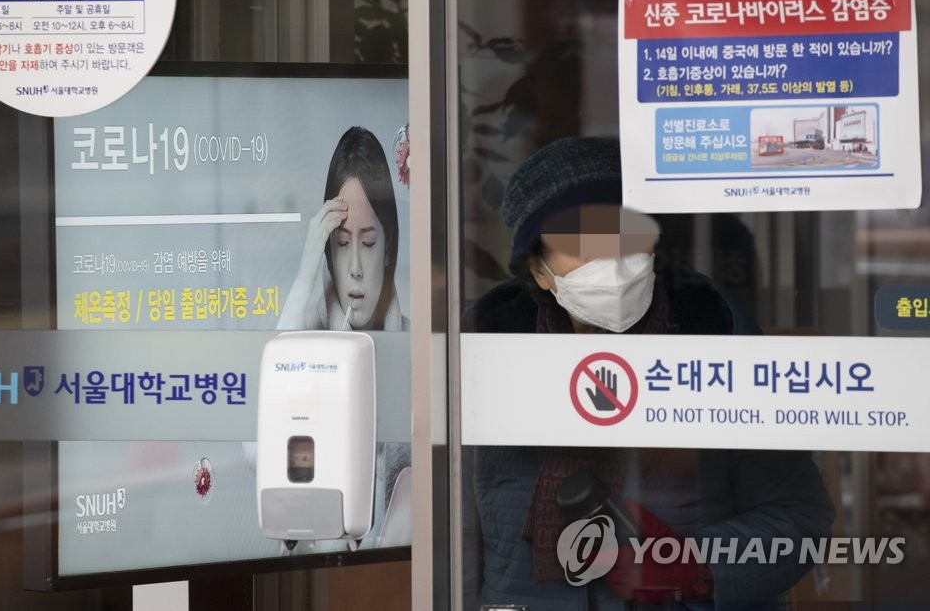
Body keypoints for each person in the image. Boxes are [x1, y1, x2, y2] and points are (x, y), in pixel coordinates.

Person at [463, 136, 835, 610]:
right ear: (538, 269)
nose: (611, 261)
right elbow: (451, 538)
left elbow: (800, 514)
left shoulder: (714, 334)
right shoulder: (486, 350)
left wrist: (698, 568)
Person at [278, 126, 408, 331]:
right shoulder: (305, 337)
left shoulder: (414, 340)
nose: (355, 269)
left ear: (388, 247)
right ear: (329, 250)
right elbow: (278, 351)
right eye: (342, 243)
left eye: (368, 243)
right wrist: (305, 277)